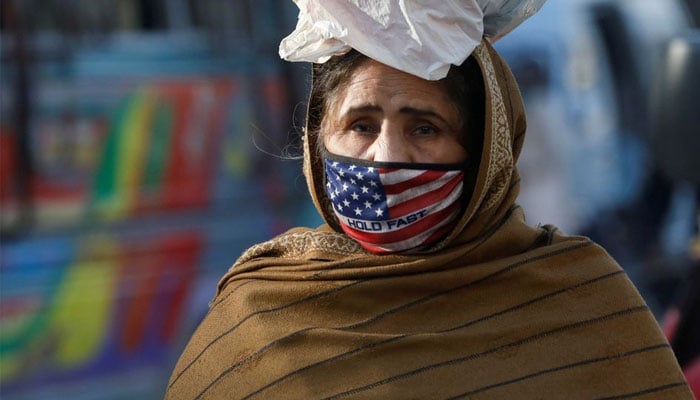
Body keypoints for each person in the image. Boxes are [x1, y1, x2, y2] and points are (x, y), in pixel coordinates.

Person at [164, 3, 693, 399]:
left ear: (484, 150)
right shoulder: (256, 315)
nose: (386, 158)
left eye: (425, 127)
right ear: (318, 143)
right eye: (361, 125)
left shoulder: (586, 307)